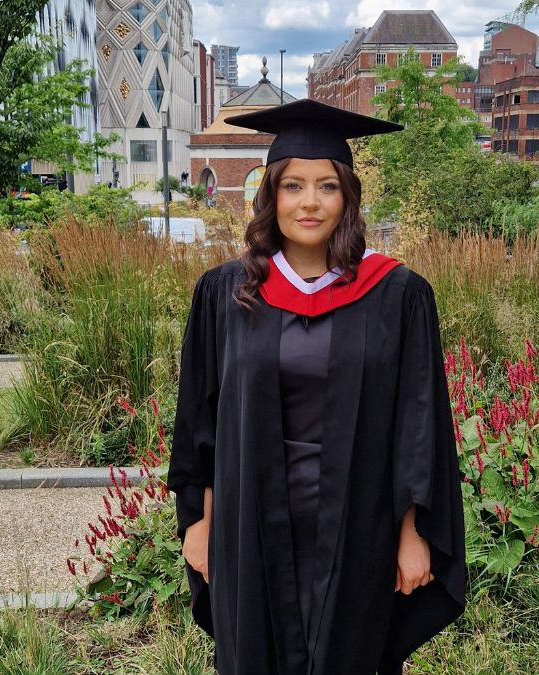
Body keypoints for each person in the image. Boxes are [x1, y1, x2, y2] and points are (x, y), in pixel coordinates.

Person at [168, 98, 466, 675]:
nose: (310, 202)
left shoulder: (397, 295)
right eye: (294, 186)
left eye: (327, 186)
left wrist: (413, 535)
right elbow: (199, 419)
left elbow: (418, 422)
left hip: (360, 520)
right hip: (249, 519)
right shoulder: (225, 294)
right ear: (270, 195)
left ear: (348, 196)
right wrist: (199, 523)